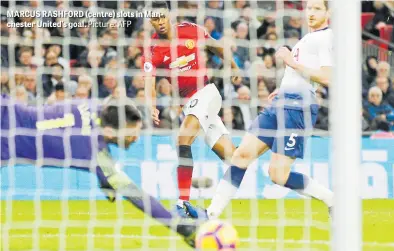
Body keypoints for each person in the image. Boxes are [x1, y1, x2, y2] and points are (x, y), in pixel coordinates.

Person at [183, 0, 334, 219]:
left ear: (328, 12)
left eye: (317, 9)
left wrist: (291, 62)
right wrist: (282, 90)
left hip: (298, 108)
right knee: (241, 155)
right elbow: (305, 76)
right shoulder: (309, 38)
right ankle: (210, 215)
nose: (311, 13)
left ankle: (331, 199)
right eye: (309, 8)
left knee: (278, 174)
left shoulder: (325, 37)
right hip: (281, 103)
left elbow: (327, 77)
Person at [0, 94, 198, 247]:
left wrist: (105, 181)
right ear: (111, 131)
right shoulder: (94, 151)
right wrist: (180, 226)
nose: (136, 138)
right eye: (131, 133)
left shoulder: (95, 107)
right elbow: (135, 195)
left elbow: (114, 102)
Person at [142, 1, 240, 214]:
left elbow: (216, 46)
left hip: (206, 93)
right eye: (154, 18)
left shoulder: (190, 30)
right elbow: (149, 82)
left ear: (169, 14)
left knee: (182, 139)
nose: (159, 22)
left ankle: (182, 203)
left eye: (161, 16)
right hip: (190, 106)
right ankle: (212, 212)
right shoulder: (152, 50)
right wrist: (151, 106)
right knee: (236, 159)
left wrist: (233, 66)